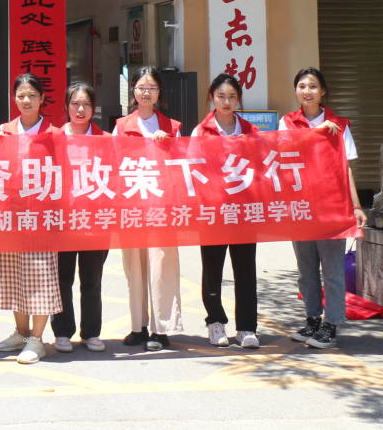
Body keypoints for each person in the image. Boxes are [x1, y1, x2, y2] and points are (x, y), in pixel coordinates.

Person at [279, 67, 368, 350]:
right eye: (302, 86)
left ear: (323, 91)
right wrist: (316, 133)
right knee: (306, 271)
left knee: (332, 271)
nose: (307, 91)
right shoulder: (286, 122)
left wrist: (356, 205)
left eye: (313, 86)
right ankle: (312, 319)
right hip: (301, 207)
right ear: (296, 90)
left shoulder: (339, 125)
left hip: (332, 208)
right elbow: (281, 154)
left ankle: (331, 324)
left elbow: (347, 168)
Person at [0, 73, 63, 364]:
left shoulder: (55, 134)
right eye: (21, 95)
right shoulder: (4, 132)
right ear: (14, 98)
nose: (26, 100)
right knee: (13, 274)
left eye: (32, 95)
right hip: (10, 215)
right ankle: (21, 333)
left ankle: (36, 339)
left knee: (40, 276)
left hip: (42, 217)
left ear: (42, 98)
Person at [113, 65, 183, 351]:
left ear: (159, 92)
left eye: (151, 88)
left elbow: (182, 167)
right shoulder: (121, 126)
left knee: (161, 267)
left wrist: (169, 146)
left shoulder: (172, 127)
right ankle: (138, 326)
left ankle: (161, 329)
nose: (146, 92)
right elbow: (112, 163)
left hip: (162, 209)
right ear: (133, 91)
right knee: (135, 268)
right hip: (132, 208)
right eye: (141, 87)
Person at [192, 73, 261, 349]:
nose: (226, 102)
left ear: (239, 99)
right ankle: (215, 322)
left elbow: (263, 166)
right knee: (212, 269)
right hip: (213, 211)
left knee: (245, 269)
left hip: (244, 210)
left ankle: (247, 327)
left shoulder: (251, 131)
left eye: (232, 97)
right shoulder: (201, 131)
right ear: (212, 97)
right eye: (221, 96)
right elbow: (193, 169)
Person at [50, 82, 109, 354]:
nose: (80, 109)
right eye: (75, 104)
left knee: (92, 280)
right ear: (66, 106)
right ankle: (62, 332)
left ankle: (91, 332)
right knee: (62, 279)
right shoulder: (53, 137)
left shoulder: (105, 139)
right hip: (62, 222)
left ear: (93, 108)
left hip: (95, 222)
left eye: (86, 104)